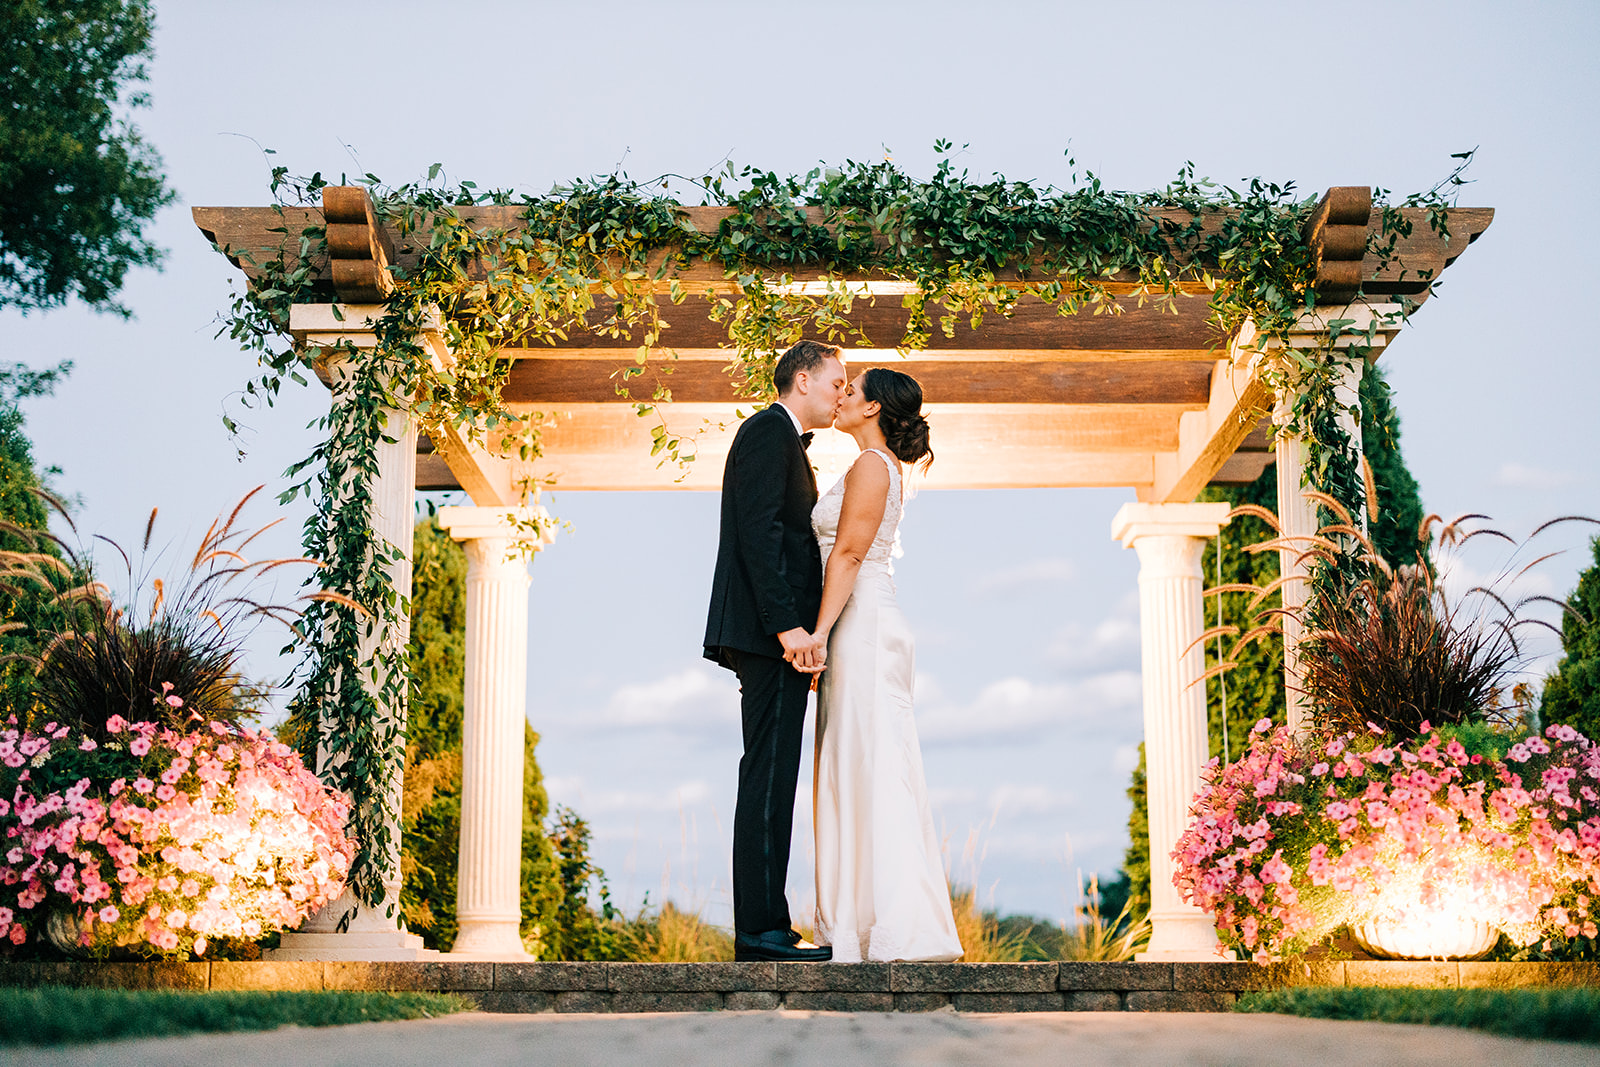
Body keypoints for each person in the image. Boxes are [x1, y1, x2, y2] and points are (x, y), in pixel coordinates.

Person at [808, 368, 963, 963]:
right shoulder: (870, 466)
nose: (839, 395)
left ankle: (888, 923)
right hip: (861, 620)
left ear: (872, 407)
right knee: (860, 762)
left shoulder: (873, 467)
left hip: (862, 623)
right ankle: (863, 918)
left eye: (850, 389)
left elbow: (847, 554)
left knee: (869, 763)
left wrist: (819, 633)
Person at [703, 339, 845, 963]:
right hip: (771, 639)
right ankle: (761, 932)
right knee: (767, 778)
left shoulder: (786, 441)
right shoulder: (766, 432)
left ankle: (768, 927)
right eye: (837, 382)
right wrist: (790, 629)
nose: (842, 393)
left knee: (772, 776)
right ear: (804, 377)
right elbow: (759, 534)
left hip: (772, 637)